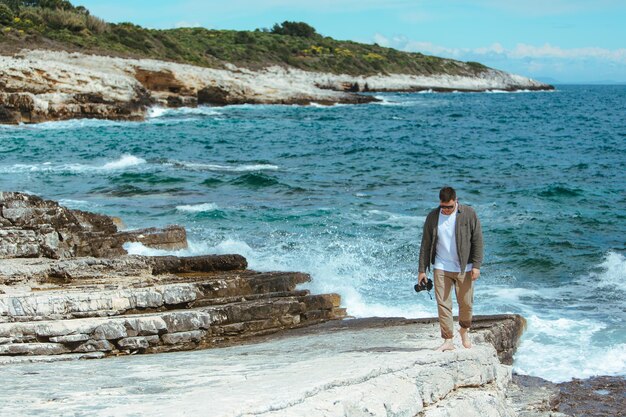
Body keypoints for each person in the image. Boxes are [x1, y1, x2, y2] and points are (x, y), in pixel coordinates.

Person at [418, 186, 483, 351]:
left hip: (464, 267)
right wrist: (422, 270)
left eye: (449, 207)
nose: (446, 210)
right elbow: (425, 245)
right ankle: (448, 340)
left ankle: (464, 329)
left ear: (456, 201)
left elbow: (477, 240)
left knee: (466, 303)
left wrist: (476, 265)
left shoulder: (468, 213)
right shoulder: (433, 217)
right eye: (443, 207)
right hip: (441, 266)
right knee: (443, 304)